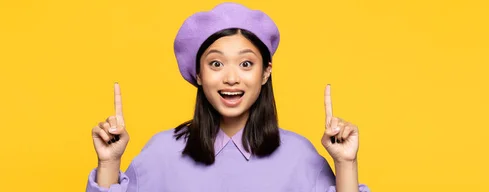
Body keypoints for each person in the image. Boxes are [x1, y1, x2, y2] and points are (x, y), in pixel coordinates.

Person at [86, 2, 370, 192]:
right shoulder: (161, 152)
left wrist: (346, 164)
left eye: (246, 63)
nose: (231, 78)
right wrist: (109, 163)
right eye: (216, 64)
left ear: (265, 72)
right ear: (198, 74)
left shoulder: (300, 156)